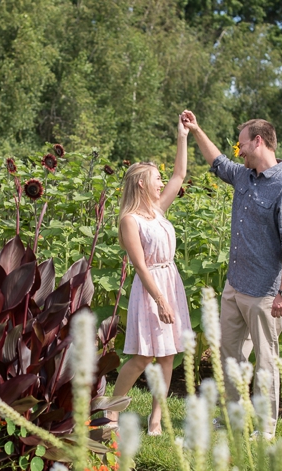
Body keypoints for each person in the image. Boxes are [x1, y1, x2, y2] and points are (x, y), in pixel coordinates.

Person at [180, 110, 282, 437]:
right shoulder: (244, 176)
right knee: (227, 357)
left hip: (265, 293)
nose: (239, 152)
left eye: (241, 146)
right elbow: (218, 161)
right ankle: (233, 417)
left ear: (258, 141)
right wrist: (196, 129)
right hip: (234, 287)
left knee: (266, 364)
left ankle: (265, 428)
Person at [106, 117, 192, 436]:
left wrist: (182, 136)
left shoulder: (158, 209)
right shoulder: (130, 220)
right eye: (157, 178)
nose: (162, 182)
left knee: (168, 356)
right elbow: (140, 267)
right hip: (150, 288)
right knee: (143, 357)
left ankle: (156, 421)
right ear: (141, 182)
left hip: (171, 280)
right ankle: (112, 414)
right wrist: (161, 301)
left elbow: (181, 174)